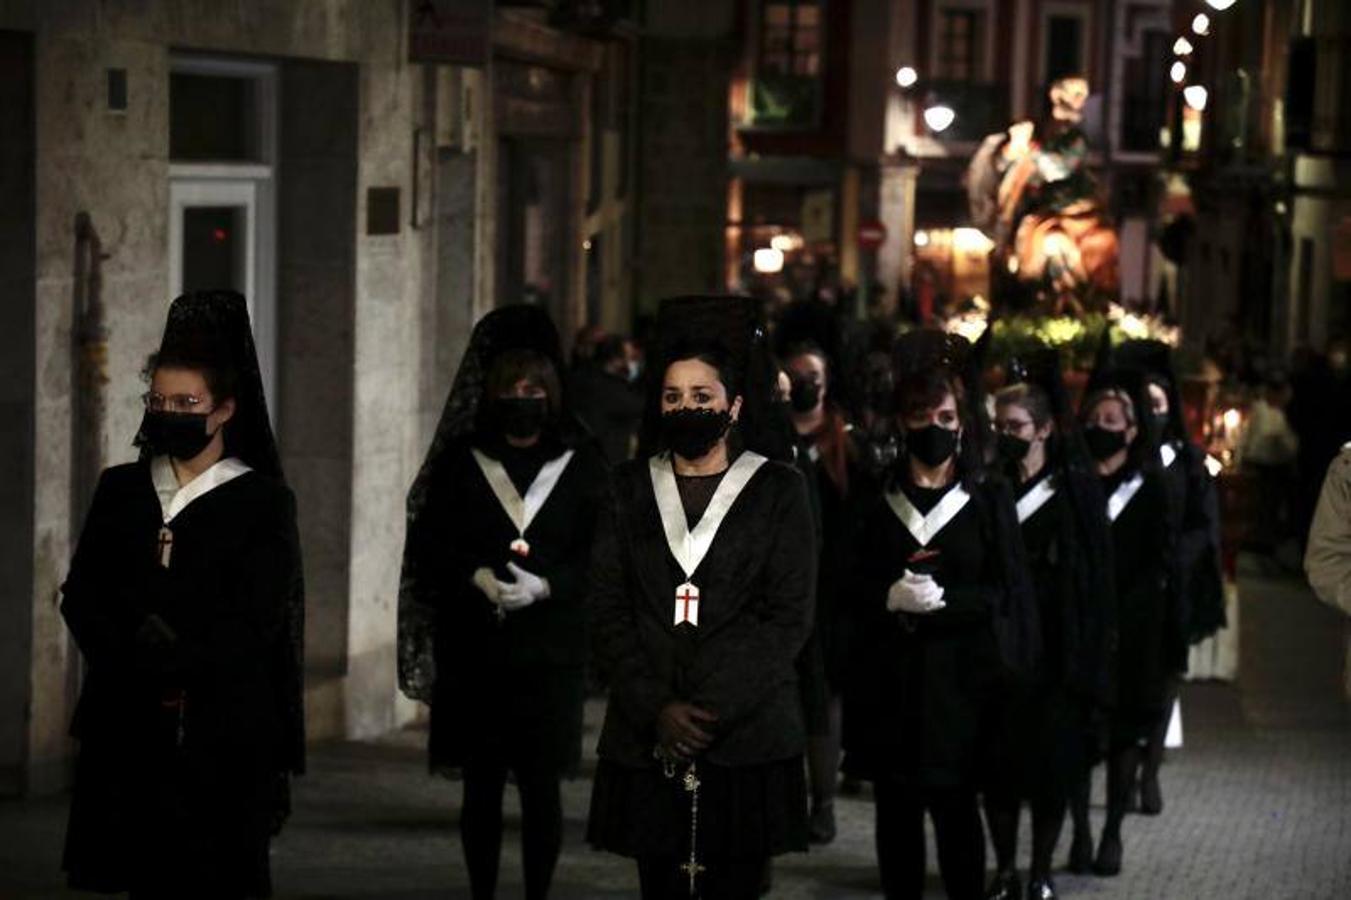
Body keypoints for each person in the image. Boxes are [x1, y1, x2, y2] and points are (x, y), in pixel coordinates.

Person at [61, 291, 305, 899]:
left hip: (224, 726)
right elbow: (83, 591)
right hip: (128, 715)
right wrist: (127, 651)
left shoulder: (263, 501)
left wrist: (183, 656)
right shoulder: (121, 488)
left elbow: (261, 613)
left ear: (223, 410)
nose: (169, 413)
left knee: (219, 876)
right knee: (143, 874)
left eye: (186, 403)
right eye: (159, 401)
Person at [586, 295, 817, 900]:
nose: (686, 408)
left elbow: (788, 617)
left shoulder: (779, 490)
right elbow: (607, 609)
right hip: (649, 728)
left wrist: (711, 709)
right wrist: (657, 706)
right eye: (672, 397)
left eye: (701, 396)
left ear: (733, 406)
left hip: (746, 730)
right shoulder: (627, 488)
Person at [397, 305, 607, 900]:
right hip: (476, 653)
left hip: (550, 654)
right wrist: (476, 576)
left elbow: (603, 550)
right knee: (481, 788)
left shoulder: (583, 463)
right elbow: (430, 544)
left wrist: (549, 586)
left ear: (552, 394)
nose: (522, 400)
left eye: (533, 391)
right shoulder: (462, 462)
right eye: (511, 391)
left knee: (542, 789)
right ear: (491, 395)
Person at [842, 330, 1038, 900]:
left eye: (946, 416)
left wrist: (948, 599)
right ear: (902, 422)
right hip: (892, 684)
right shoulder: (875, 496)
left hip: (963, 685)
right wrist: (888, 595)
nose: (935, 427)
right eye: (921, 415)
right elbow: (843, 582)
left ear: (963, 422)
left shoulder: (988, 497)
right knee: (896, 818)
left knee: (957, 817)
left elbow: (1008, 589)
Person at [982, 354, 1113, 900]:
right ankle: (1005, 869)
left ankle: (1039, 870)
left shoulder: (1073, 493)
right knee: (1000, 772)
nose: (1004, 437)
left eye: (1015, 427)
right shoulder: (989, 488)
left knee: (1051, 772)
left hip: (1057, 657)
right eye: (998, 427)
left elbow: (1096, 577)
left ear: (1043, 430)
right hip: (1001, 654)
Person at [1111, 340, 1224, 816]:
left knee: (1163, 685)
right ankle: (1121, 772)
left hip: (1173, 589)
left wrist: (1176, 558)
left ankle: (1150, 772)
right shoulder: (1122, 460)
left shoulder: (1188, 461)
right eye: (1144, 405)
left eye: (1158, 405)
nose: (1152, 413)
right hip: (1128, 589)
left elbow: (1204, 524)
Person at [776, 301, 873, 845]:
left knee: (823, 697)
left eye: (813, 375)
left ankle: (824, 801)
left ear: (828, 380)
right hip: (778, 589)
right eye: (795, 375)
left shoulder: (845, 442)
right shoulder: (770, 440)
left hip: (832, 592)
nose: (804, 383)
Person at [1072, 381, 1176, 876]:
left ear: (1133, 431)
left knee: (1123, 737)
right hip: (1079, 629)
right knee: (1075, 739)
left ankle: (1112, 830)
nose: (1101, 428)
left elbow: (1158, 561)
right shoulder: (1072, 484)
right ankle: (1079, 829)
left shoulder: (1150, 487)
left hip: (1132, 634)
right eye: (1094, 420)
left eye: (1112, 421)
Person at [570, 333, 645, 464]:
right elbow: (638, 406)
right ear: (616, 360)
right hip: (607, 459)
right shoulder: (612, 390)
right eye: (631, 357)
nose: (633, 363)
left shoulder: (582, 377)